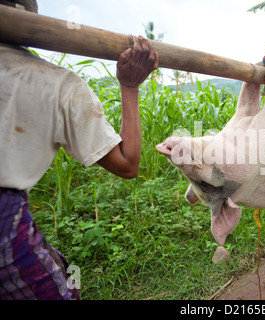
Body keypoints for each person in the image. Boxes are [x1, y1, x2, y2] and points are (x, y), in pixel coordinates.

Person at [0, 0, 159, 299]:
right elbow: (127, 163)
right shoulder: (57, 84)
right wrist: (130, 86)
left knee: (59, 263)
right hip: (4, 224)